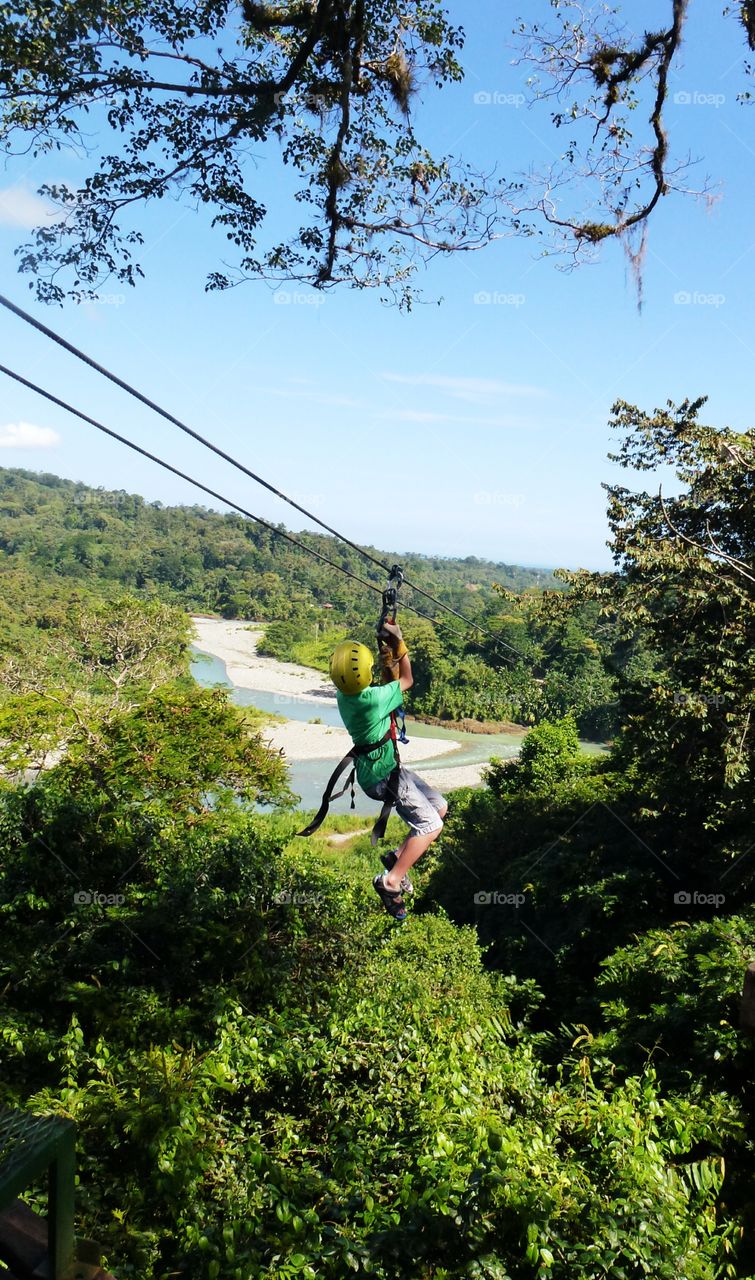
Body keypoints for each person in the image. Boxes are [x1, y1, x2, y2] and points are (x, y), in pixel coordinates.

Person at [330, 622, 447, 921]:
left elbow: (385, 687)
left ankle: (397, 856)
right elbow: (407, 679)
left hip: (382, 770)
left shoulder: (345, 696)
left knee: (439, 806)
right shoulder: (373, 699)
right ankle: (391, 880)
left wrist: (386, 659)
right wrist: (399, 643)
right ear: (365, 675)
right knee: (431, 826)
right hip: (384, 776)